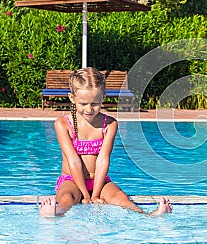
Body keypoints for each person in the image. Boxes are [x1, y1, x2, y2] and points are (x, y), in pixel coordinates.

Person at [39, 67, 172, 217]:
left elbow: (103, 160)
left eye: (95, 103)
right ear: (72, 98)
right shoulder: (63, 124)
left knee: (120, 197)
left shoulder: (109, 124)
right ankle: (56, 212)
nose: (89, 109)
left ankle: (147, 215)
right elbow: (73, 160)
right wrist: (85, 195)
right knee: (66, 198)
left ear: (103, 97)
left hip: (99, 181)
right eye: (83, 104)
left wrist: (95, 194)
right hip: (72, 180)